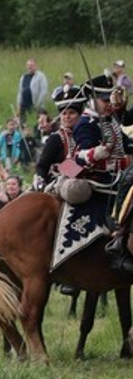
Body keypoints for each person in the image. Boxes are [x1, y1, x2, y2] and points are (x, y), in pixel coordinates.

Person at [73, 75, 133, 273]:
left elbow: (126, 144)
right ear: (92, 100)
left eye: (110, 100)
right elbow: (79, 156)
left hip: (116, 176)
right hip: (100, 179)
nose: (109, 104)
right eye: (104, 100)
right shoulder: (86, 123)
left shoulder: (110, 120)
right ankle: (118, 239)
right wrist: (97, 153)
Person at [33, 86, 84, 190]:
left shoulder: (88, 134)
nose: (67, 117)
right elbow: (42, 166)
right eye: (64, 113)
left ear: (80, 115)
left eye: (71, 113)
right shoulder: (56, 138)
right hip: (61, 184)